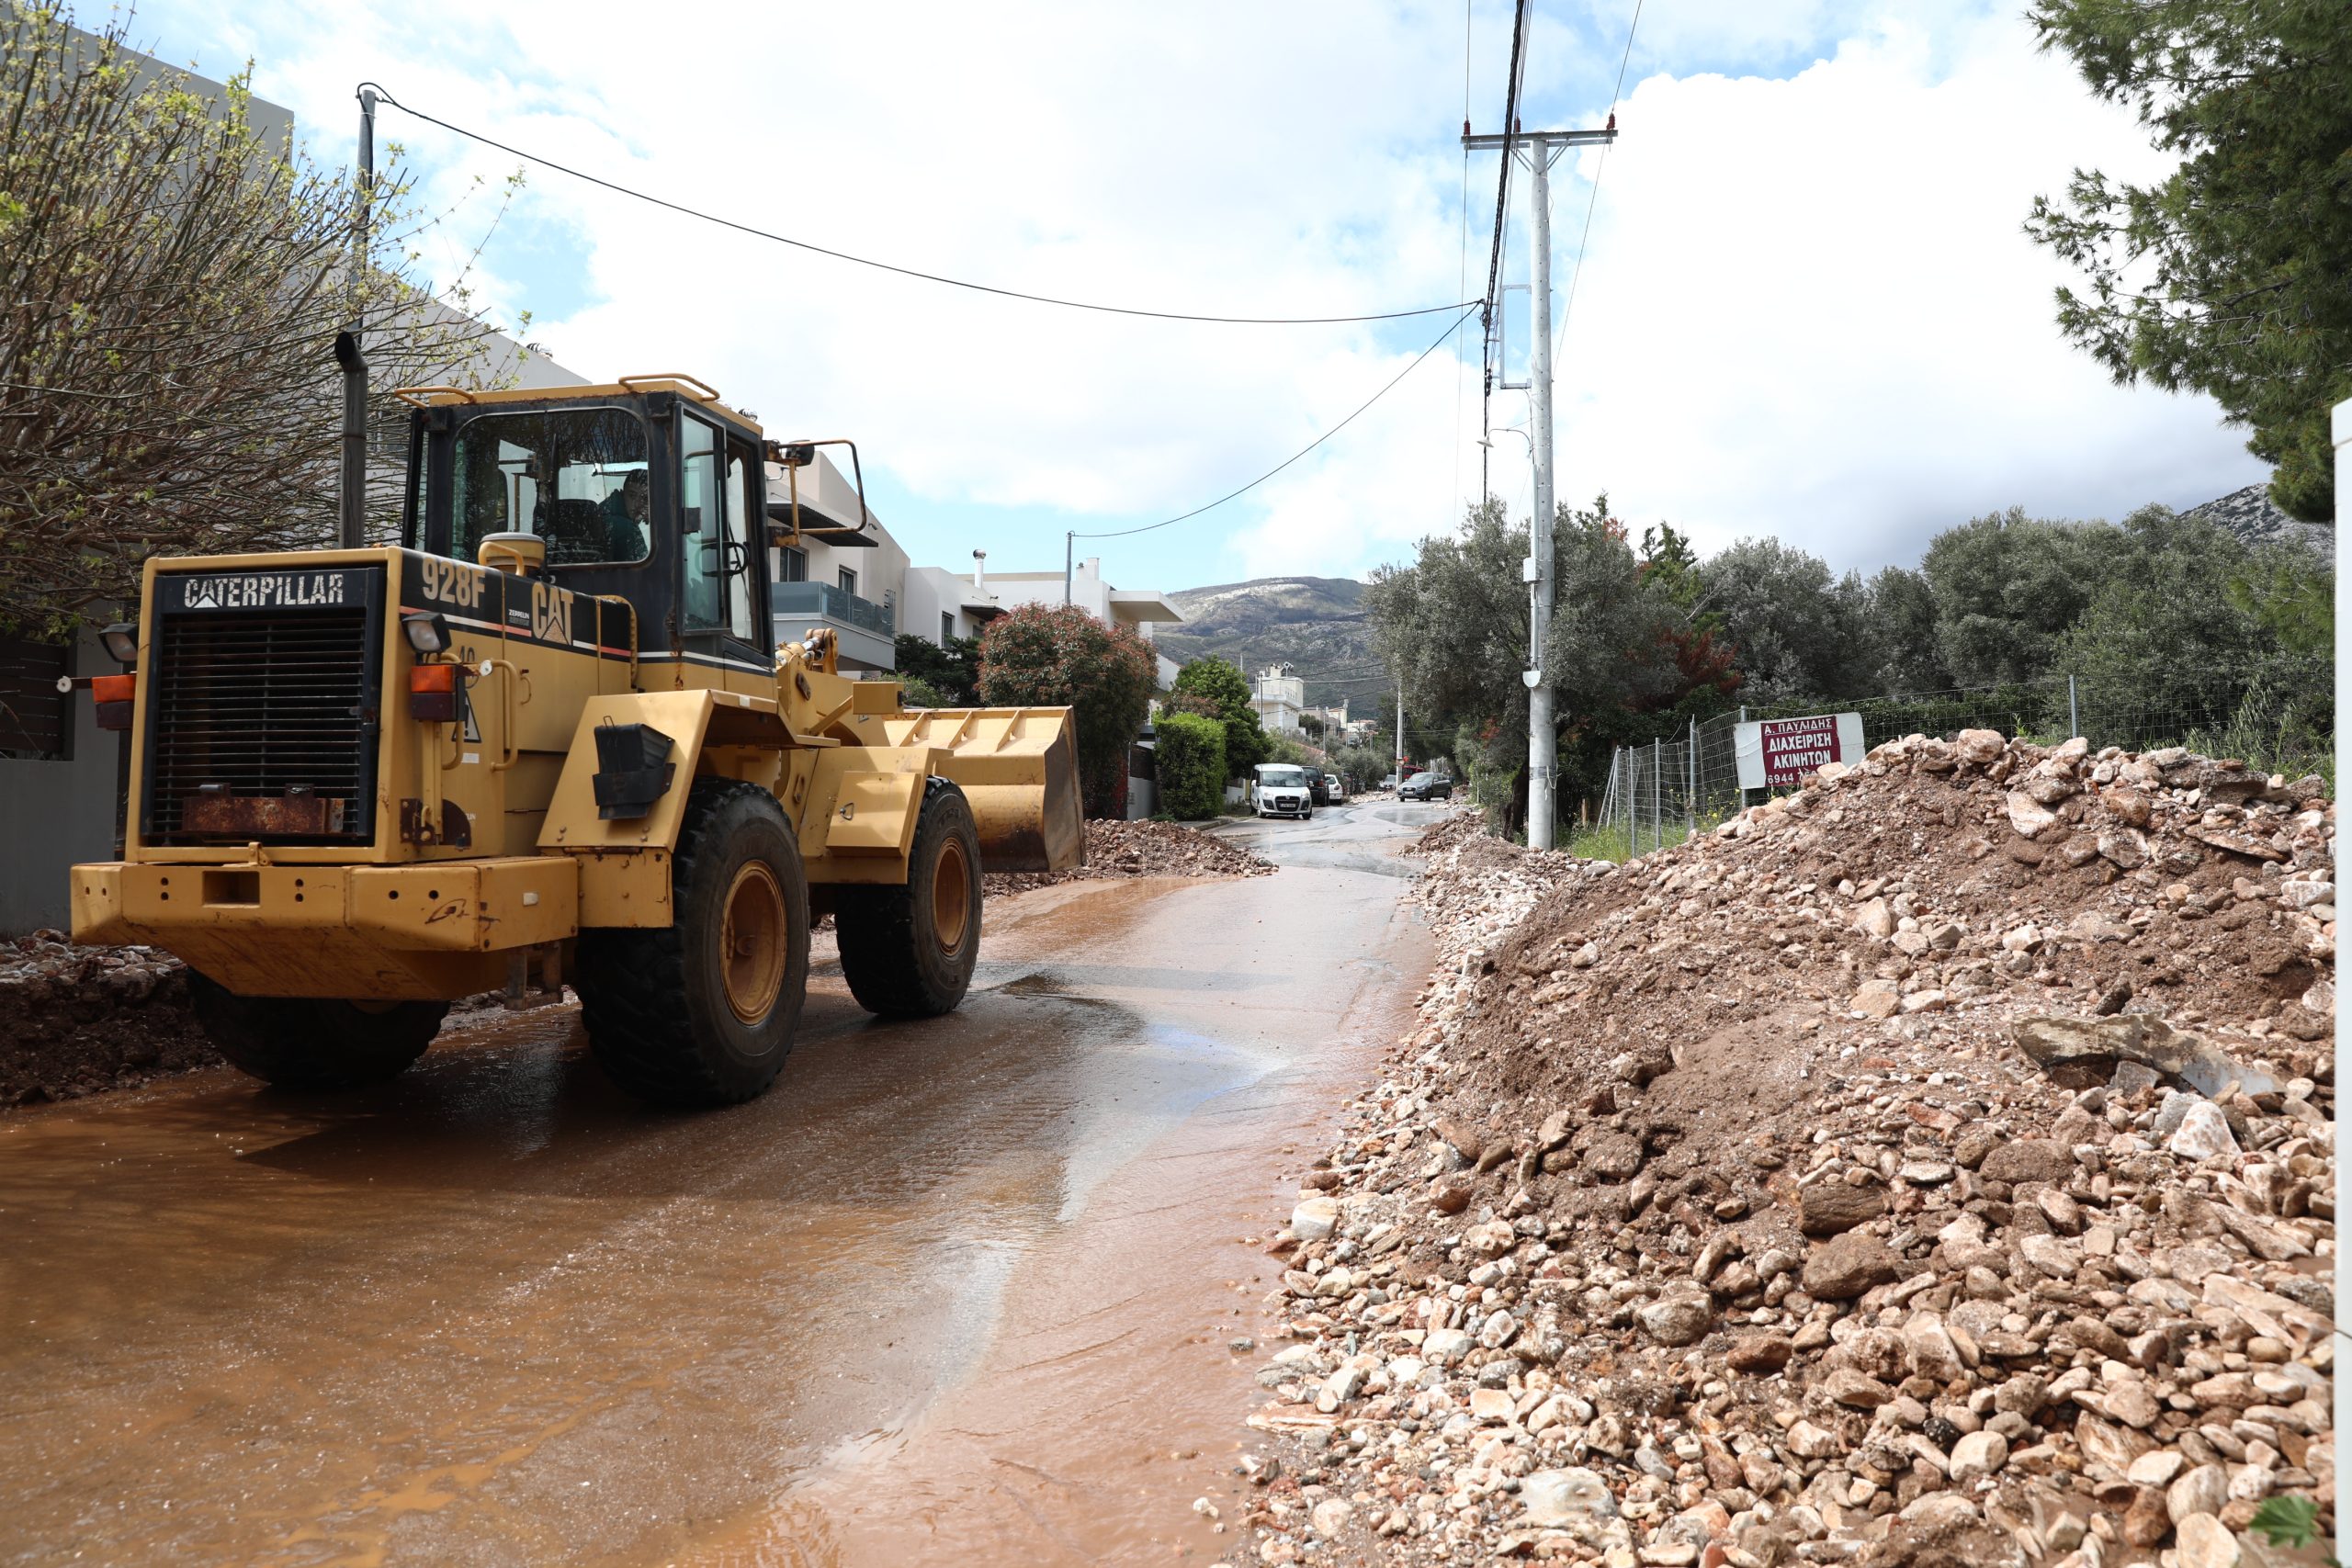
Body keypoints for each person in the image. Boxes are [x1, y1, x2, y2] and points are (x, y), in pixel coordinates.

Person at [598, 469, 650, 560]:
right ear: (623, 493)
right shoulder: (628, 529)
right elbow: (645, 570)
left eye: (644, 499)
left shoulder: (603, 512)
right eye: (632, 496)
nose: (637, 504)